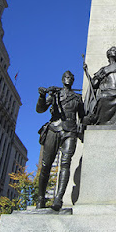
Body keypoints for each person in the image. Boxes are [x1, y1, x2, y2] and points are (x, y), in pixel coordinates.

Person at [36, 71, 84, 211]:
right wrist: (42, 96)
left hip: (70, 131)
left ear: (73, 80)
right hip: (54, 129)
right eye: (66, 77)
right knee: (46, 165)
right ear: (62, 79)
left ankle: (58, 199)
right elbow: (40, 109)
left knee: (65, 163)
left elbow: (82, 116)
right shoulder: (55, 94)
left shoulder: (77, 97)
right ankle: (41, 199)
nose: (68, 79)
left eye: (71, 77)